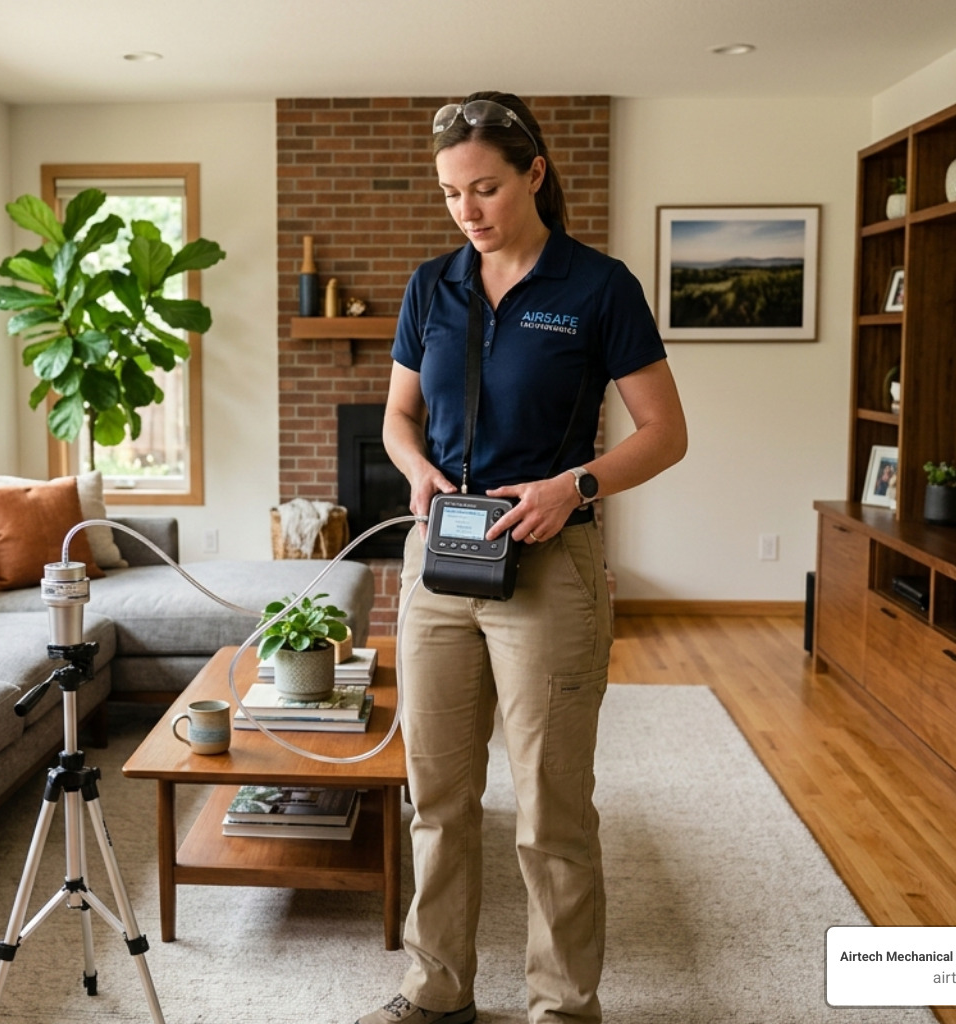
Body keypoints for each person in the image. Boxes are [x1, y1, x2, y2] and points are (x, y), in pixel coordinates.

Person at [361, 92, 687, 1024]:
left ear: (534, 173)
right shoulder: (434, 285)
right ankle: (436, 993)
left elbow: (665, 434)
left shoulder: (599, 287)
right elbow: (397, 416)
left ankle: (562, 1006)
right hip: (440, 562)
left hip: (551, 566)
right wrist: (417, 472)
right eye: (453, 193)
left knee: (550, 810)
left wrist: (570, 488)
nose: (469, 209)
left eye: (487, 187)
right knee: (438, 797)